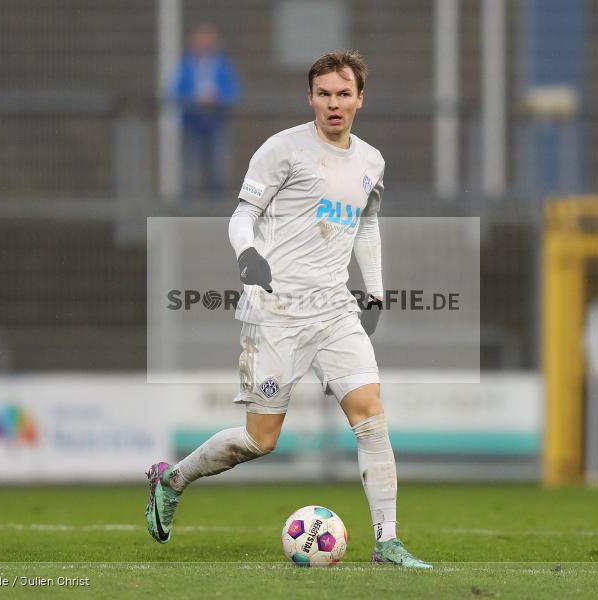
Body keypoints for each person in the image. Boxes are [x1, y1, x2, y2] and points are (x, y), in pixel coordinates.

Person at [146, 50, 431, 569]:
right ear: (310, 98)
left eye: (344, 94)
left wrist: (375, 291)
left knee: (370, 417)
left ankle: (387, 542)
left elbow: (366, 226)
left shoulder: (371, 161)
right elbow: (242, 215)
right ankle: (173, 479)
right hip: (276, 309)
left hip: (334, 309)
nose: (334, 103)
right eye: (324, 93)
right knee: (261, 440)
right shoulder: (282, 150)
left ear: (360, 98)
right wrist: (248, 254)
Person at [170, 23, 240, 203]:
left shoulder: (222, 65)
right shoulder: (186, 65)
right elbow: (174, 92)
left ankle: (216, 207)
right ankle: (189, 208)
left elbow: (232, 92)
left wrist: (218, 99)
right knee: (190, 169)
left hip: (216, 122)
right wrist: (193, 99)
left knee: (217, 168)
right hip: (192, 123)